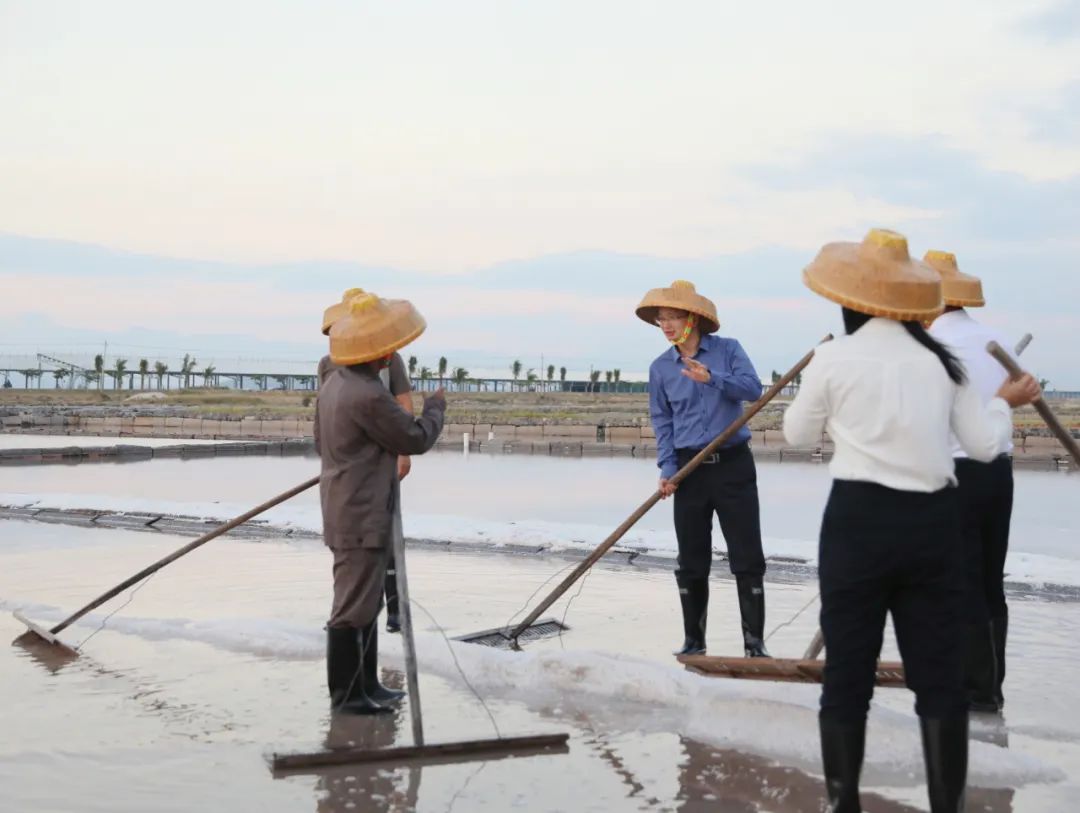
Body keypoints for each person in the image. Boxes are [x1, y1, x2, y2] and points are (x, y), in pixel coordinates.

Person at [782, 229, 1040, 812]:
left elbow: (797, 434)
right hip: (931, 524)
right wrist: (1005, 401)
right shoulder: (940, 362)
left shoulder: (831, 357)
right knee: (939, 682)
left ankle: (844, 804)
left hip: (856, 521)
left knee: (846, 678)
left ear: (852, 299)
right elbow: (981, 444)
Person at [315, 290, 445, 715]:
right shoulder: (367, 394)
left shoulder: (336, 382)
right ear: (379, 353)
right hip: (359, 508)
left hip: (349, 501)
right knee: (352, 606)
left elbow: (321, 441)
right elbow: (414, 437)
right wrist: (435, 409)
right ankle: (347, 696)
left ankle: (367, 684)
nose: (393, 355)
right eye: (389, 349)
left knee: (366, 601)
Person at [637, 280, 770, 658]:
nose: (666, 326)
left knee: (747, 557)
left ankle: (754, 645)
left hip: (733, 466)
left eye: (673, 317)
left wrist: (711, 378)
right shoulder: (661, 368)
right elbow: (662, 421)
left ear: (692, 319)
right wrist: (667, 467)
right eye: (661, 319)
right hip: (688, 470)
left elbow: (752, 389)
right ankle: (694, 643)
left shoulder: (728, 351)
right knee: (692, 559)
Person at [925, 251, 1016, 714]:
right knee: (989, 582)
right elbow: (1010, 402)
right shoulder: (995, 340)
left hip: (956, 473)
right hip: (998, 472)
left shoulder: (933, 351)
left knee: (959, 583)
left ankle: (976, 690)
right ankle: (989, 682)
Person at [321, 289, 415, 634]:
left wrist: (403, 453)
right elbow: (326, 422)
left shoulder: (388, 357)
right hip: (351, 472)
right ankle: (352, 621)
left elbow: (404, 405)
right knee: (353, 549)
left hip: (382, 465)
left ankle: (393, 610)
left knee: (384, 537)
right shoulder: (329, 366)